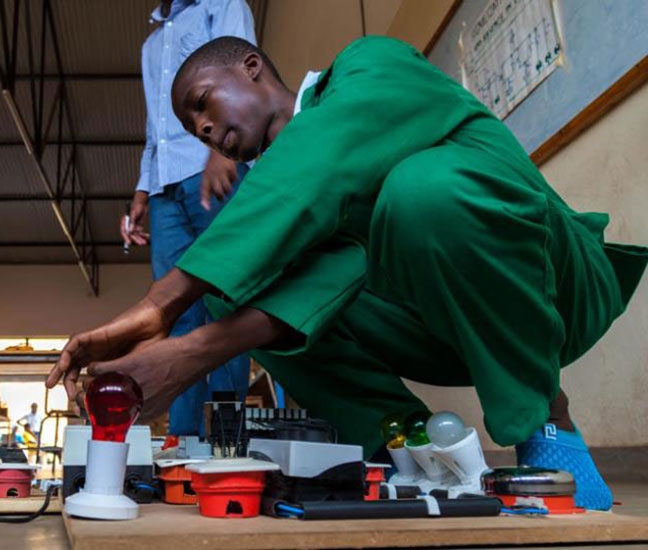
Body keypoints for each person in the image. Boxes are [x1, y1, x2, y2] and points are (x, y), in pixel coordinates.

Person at [48, 36, 648, 510]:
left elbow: (326, 155)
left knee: (421, 192)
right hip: (439, 327)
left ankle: (547, 418)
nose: (203, 129)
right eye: (191, 128)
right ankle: (412, 447)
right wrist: (187, 352)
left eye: (203, 102)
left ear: (251, 67)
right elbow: (337, 260)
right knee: (241, 293)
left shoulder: (370, 65)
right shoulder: (288, 199)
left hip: (553, 287)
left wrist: (161, 306)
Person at [120, 0, 256, 437]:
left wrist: (224, 150)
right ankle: (182, 440)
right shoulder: (150, 45)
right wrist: (143, 189)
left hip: (212, 169)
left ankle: (224, 440)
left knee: (225, 304)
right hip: (164, 189)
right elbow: (154, 125)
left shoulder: (222, 5)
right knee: (175, 312)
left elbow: (241, 78)